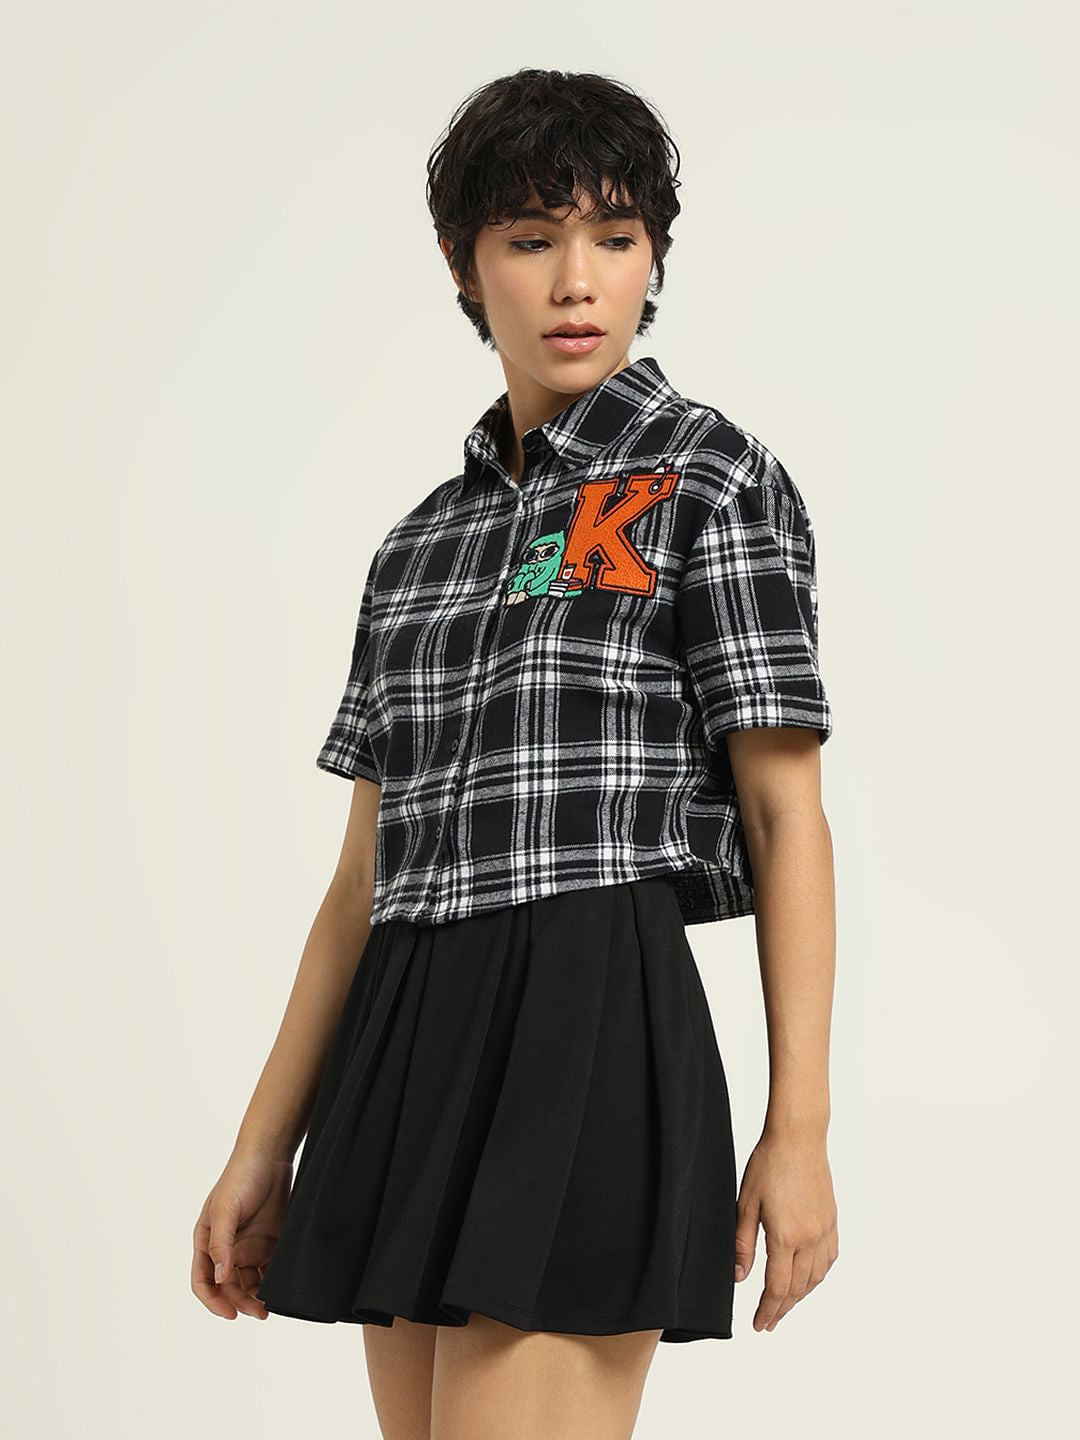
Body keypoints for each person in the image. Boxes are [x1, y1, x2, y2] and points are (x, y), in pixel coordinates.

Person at [191, 67, 839, 1440]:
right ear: (463, 262)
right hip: (407, 1026)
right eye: (532, 238)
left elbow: (789, 818)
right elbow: (363, 878)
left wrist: (801, 1127)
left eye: (616, 238)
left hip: (589, 1009)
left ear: (654, 257)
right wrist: (262, 1144)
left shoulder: (709, 478)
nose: (576, 282)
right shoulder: (418, 546)